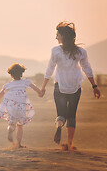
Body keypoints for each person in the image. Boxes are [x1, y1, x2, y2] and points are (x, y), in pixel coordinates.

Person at [40, 21, 101, 151]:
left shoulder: (55, 51)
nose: (56, 37)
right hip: (75, 87)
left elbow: (50, 69)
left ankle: (59, 126)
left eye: (57, 34)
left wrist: (43, 87)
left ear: (63, 36)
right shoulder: (81, 52)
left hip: (60, 86)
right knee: (72, 115)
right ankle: (70, 143)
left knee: (61, 114)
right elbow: (87, 69)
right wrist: (94, 86)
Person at [0, 63, 43, 148]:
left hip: (11, 106)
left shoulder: (8, 85)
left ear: (11, 75)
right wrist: (41, 93)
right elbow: (37, 90)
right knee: (20, 125)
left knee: (12, 123)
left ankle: (10, 130)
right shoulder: (26, 82)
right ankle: (19, 144)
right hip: (21, 106)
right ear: (21, 73)